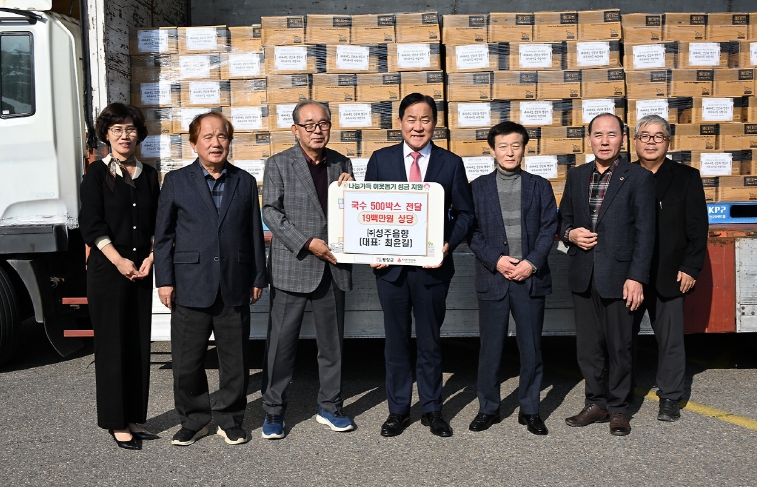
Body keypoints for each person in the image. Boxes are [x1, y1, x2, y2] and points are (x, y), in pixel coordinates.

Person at [154, 111, 267, 446]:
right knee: (187, 362)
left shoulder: (244, 181)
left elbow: (253, 233)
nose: (216, 143)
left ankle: (230, 419)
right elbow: (163, 236)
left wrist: (258, 276)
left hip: (234, 281)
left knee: (236, 361)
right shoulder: (176, 181)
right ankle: (194, 419)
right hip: (190, 283)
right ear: (194, 144)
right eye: (208, 136)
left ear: (229, 142)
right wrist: (165, 280)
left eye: (222, 136)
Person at [365, 93, 475, 438]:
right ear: (400, 122)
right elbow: (366, 209)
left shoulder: (450, 163)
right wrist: (370, 248)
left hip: (432, 269)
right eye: (411, 119)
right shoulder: (381, 159)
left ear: (435, 124)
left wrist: (448, 244)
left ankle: (432, 409)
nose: (417, 126)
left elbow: (465, 213)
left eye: (425, 119)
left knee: (430, 341)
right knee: (396, 342)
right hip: (391, 271)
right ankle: (397, 410)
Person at [260, 101, 355, 439]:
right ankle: (273, 410)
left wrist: (353, 191)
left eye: (323, 123)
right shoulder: (278, 163)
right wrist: (306, 242)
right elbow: (271, 212)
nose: (317, 130)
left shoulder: (342, 163)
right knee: (281, 346)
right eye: (309, 124)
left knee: (332, 346)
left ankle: (330, 406)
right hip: (294, 264)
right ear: (295, 129)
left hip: (333, 267)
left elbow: (353, 213)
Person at [559, 113, 655, 436]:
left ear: (623, 139)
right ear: (589, 139)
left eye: (611, 135)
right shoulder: (577, 176)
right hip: (584, 274)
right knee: (589, 348)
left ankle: (618, 408)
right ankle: (596, 402)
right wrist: (570, 234)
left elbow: (646, 233)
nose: (604, 141)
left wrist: (637, 277)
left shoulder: (638, 178)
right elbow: (563, 219)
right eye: (598, 135)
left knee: (620, 346)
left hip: (620, 276)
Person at [79, 102, 160, 450]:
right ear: (107, 135)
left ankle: (133, 417)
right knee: (112, 346)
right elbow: (91, 224)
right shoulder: (96, 174)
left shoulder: (149, 175)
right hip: (109, 271)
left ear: (139, 134)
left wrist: (152, 257)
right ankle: (115, 422)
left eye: (130, 129)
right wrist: (118, 260)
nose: (125, 135)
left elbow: (158, 224)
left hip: (141, 271)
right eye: (117, 130)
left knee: (138, 344)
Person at [467, 122, 557, 435]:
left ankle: (530, 410)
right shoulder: (477, 188)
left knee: (531, 348)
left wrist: (531, 263)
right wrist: (496, 260)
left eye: (515, 146)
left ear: (524, 149)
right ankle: (488, 408)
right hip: (494, 278)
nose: (509, 152)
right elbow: (472, 232)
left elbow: (549, 228)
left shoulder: (539, 186)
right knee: (490, 349)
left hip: (529, 278)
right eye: (503, 146)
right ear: (492, 150)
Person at [631, 114, 708, 422]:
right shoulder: (623, 175)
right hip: (630, 274)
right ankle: (621, 394)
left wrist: (691, 267)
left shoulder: (686, 177)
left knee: (671, 340)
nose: (651, 142)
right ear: (635, 141)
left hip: (671, 272)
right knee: (622, 338)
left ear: (668, 142)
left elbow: (698, 227)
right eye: (645, 136)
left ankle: (670, 397)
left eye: (658, 136)